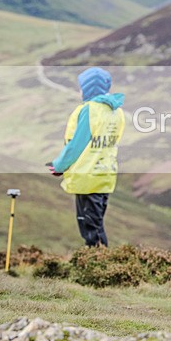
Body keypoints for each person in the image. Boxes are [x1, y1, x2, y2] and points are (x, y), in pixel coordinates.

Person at [47, 67, 125, 247]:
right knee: (96, 224)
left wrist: (59, 166)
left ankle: (99, 268)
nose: (79, 90)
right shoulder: (116, 112)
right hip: (105, 175)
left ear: (90, 88)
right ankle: (102, 266)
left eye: (81, 86)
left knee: (90, 229)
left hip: (87, 177)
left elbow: (76, 145)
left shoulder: (88, 110)